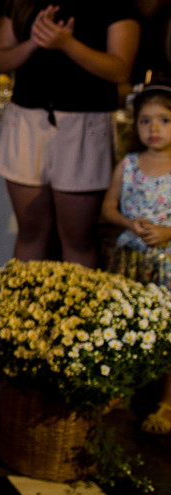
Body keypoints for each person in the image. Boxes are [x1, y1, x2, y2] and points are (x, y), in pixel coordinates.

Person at [0, 0, 139, 266]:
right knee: (30, 231)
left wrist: (67, 45)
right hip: (27, 120)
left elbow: (120, 69)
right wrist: (34, 44)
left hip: (83, 124)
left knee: (77, 239)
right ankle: (24, 320)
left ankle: (74, 322)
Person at [101, 83, 171, 433]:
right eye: (145, 121)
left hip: (167, 263)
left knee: (167, 331)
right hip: (131, 259)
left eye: (164, 120)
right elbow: (108, 208)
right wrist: (130, 222)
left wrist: (167, 231)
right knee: (126, 324)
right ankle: (118, 390)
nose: (154, 129)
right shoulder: (128, 165)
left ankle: (167, 402)